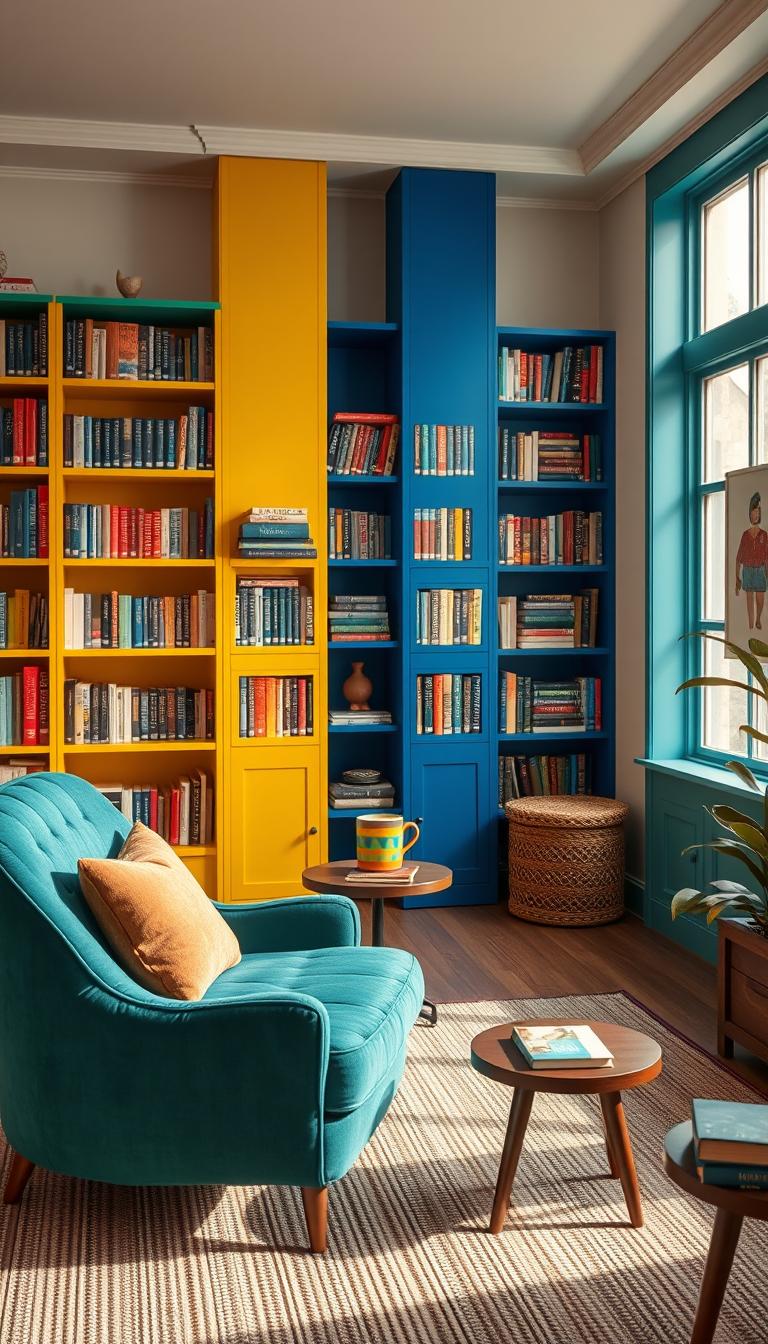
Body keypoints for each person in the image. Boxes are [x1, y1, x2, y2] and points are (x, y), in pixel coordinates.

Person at [735, 491, 768, 630]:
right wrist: (737, 578)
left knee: (760, 599)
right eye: (754, 512)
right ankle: (750, 624)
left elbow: (767, 555)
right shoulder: (745, 535)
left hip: (760, 569)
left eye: (758, 513)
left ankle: (758, 619)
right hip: (747, 570)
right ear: (750, 514)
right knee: (749, 598)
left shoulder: (764, 535)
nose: (756, 515)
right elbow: (738, 557)